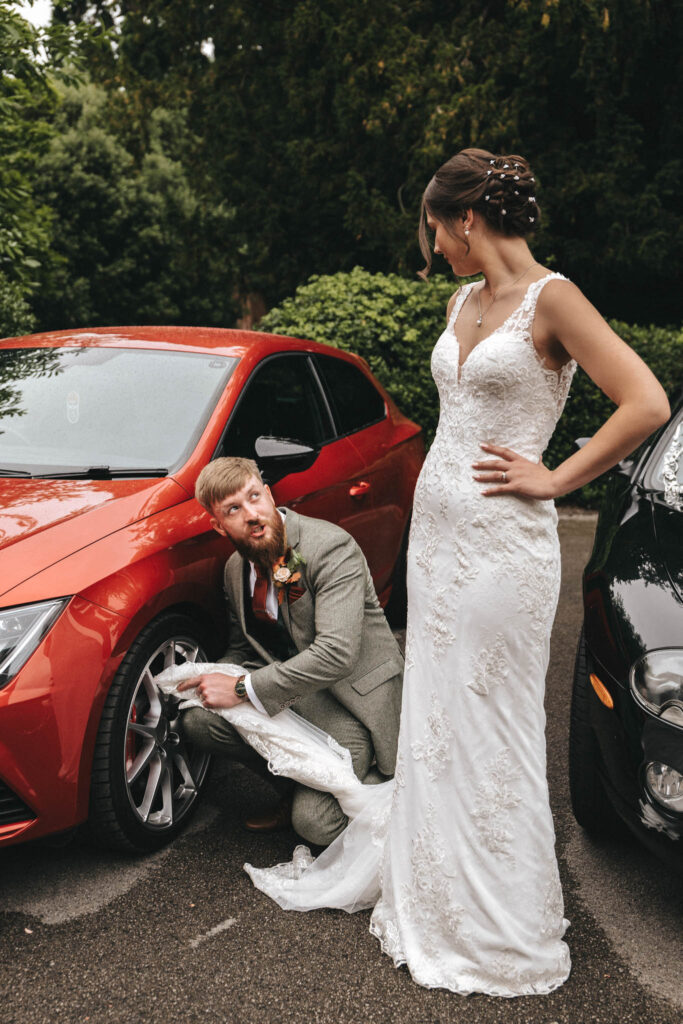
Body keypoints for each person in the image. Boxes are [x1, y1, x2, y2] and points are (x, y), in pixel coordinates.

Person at [166, 148, 669, 998]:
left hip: (503, 540)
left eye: (434, 231)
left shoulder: (556, 299)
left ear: (464, 219)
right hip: (437, 532)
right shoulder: (460, 299)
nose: (433, 250)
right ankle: (436, 892)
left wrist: (554, 476)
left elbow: (646, 401)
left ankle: (498, 916)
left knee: (493, 714)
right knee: (438, 710)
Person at [178, 457, 404, 848]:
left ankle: (387, 788)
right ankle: (297, 787)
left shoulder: (330, 547)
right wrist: (207, 678)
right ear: (218, 525)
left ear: (268, 493)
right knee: (200, 721)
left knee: (314, 825)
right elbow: (241, 646)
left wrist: (238, 688)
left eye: (254, 497)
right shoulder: (235, 568)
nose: (251, 514)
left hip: (350, 703)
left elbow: (336, 654)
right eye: (234, 509)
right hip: (291, 694)